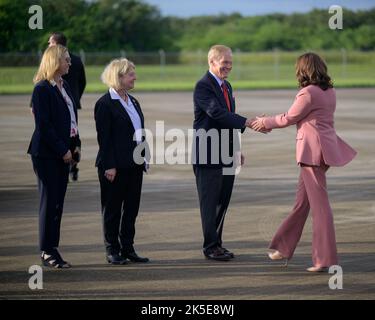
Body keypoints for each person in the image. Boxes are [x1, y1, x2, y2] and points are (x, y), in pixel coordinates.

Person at [251, 52, 357, 272]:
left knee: (321, 209)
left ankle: (324, 259)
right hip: (324, 151)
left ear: (303, 70)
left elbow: (289, 118)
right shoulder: (329, 92)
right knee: (302, 204)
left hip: (312, 153)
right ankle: (283, 247)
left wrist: (263, 121)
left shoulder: (308, 93)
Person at [193, 44, 256, 261]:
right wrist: (247, 122)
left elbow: (228, 119)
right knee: (210, 203)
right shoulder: (203, 86)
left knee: (222, 201)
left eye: (230, 62)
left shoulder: (226, 86)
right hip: (208, 153)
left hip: (226, 153)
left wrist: (236, 149)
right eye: (224, 63)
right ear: (212, 62)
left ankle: (217, 244)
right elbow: (216, 113)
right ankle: (210, 247)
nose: (228, 66)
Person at [28, 44, 81, 268]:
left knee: (58, 203)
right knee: (49, 203)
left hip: (65, 152)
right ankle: (46, 250)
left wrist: (76, 144)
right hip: (47, 154)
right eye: (66, 60)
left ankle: (53, 247)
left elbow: (71, 119)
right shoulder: (42, 89)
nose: (70, 63)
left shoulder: (65, 85)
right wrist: (62, 149)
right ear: (55, 62)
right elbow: (44, 126)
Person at [94, 58, 149, 265]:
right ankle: (112, 250)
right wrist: (109, 165)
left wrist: (144, 157)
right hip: (114, 166)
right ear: (118, 77)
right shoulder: (104, 104)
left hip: (134, 164)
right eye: (131, 74)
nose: (135, 77)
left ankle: (128, 248)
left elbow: (139, 132)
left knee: (131, 209)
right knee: (113, 209)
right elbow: (104, 138)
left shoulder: (133, 101)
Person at [48, 32, 86, 181]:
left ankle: (65, 160)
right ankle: (73, 165)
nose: (49, 46)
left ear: (57, 44)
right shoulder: (77, 59)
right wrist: (75, 99)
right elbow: (83, 82)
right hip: (72, 103)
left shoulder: (56, 61)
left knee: (67, 132)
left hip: (61, 105)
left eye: (50, 43)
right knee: (73, 131)